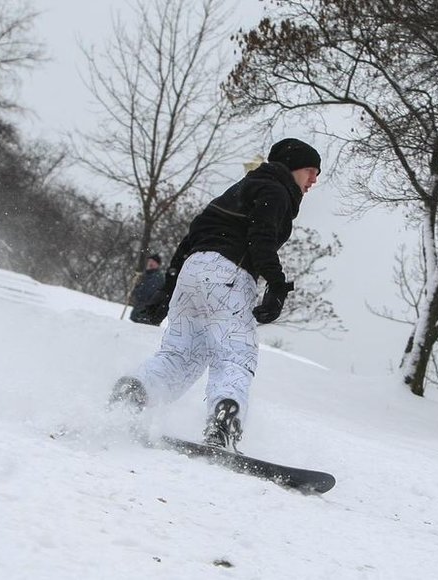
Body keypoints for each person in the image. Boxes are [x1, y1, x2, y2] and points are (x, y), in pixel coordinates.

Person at [111, 138, 321, 452]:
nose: (314, 180)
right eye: (310, 171)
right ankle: (223, 426)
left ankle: (134, 395)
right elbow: (260, 239)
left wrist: (168, 293)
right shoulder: (275, 191)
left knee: (180, 355)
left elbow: (191, 236)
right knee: (235, 355)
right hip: (228, 275)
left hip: (192, 274)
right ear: (291, 167)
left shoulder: (238, 189)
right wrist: (277, 287)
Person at [128, 254, 166, 325]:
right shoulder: (146, 276)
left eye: (153, 262)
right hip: (140, 314)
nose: (150, 263)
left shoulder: (156, 277)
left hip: (145, 315)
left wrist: (135, 291)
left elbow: (145, 294)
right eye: (149, 261)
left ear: (157, 264)